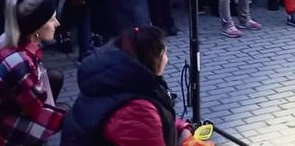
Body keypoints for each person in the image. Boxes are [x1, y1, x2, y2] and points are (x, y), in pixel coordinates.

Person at [62, 25, 196, 146]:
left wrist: (182, 128)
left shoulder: (112, 79)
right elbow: (146, 125)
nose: (167, 59)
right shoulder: (137, 109)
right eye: (165, 53)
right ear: (154, 59)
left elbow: (159, 118)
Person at [0, 0, 65, 146]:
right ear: (36, 29)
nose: (57, 23)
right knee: (67, 114)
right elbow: (34, 107)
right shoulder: (20, 63)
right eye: (52, 20)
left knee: (55, 79)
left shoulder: (7, 38)